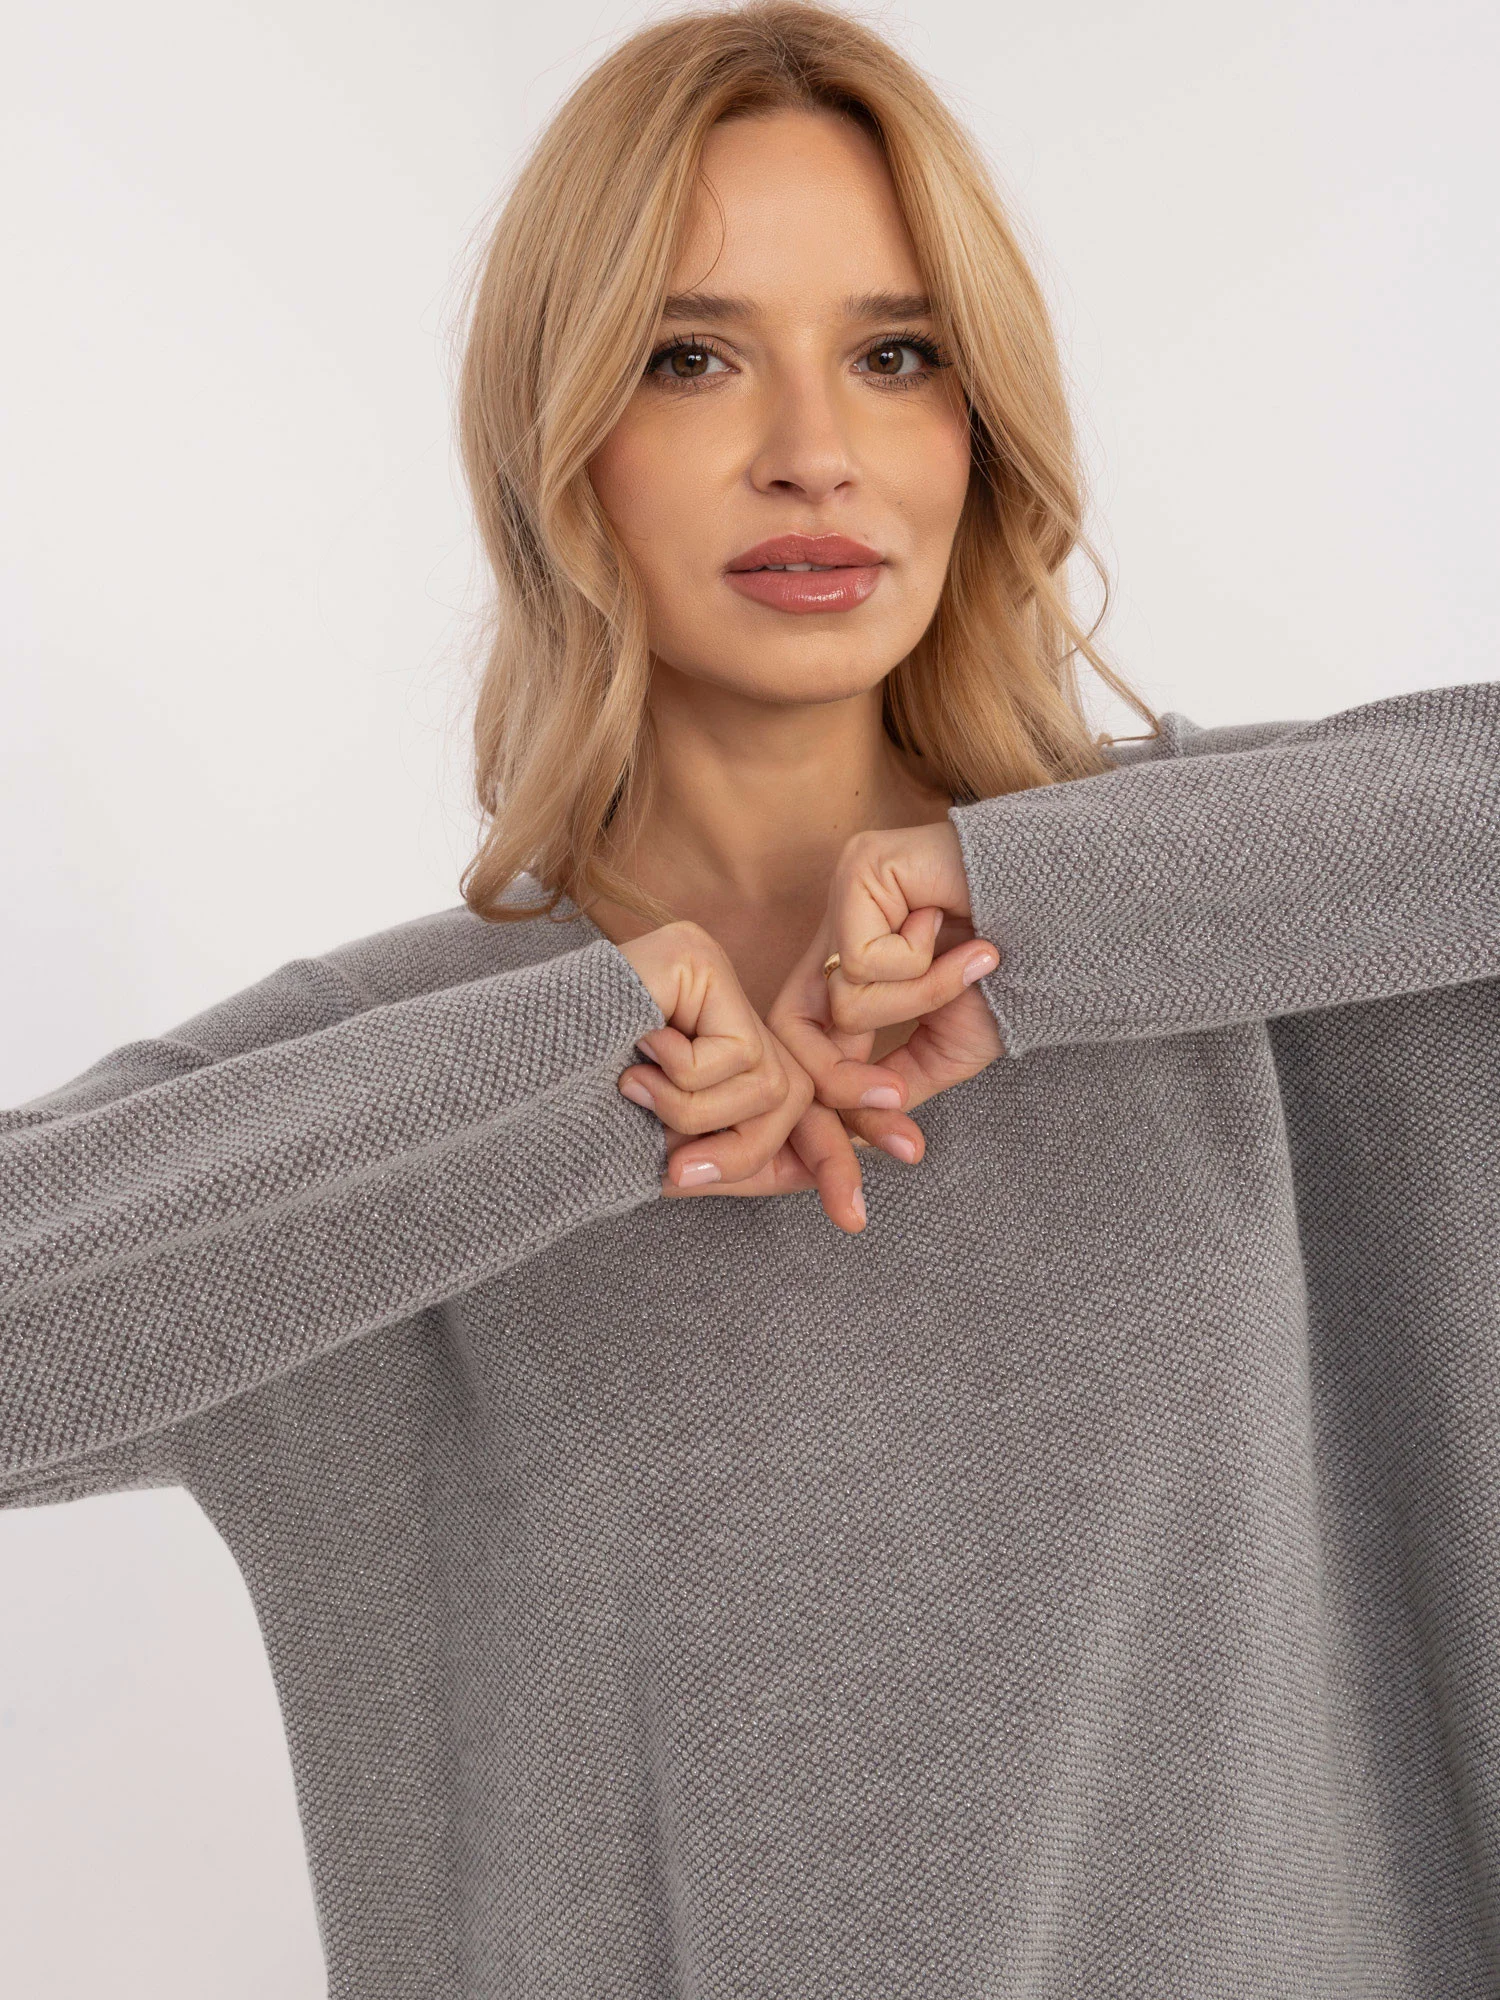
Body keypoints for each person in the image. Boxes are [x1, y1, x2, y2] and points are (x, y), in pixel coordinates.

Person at [4, 3, 1497, 1994]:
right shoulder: (409, 1088)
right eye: (690, 357)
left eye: (898, 354)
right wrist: (570, 1075)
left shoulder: (1242, 936)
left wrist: (1042, 904)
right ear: (560, 440)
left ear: (981, 427)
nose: (813, 450)